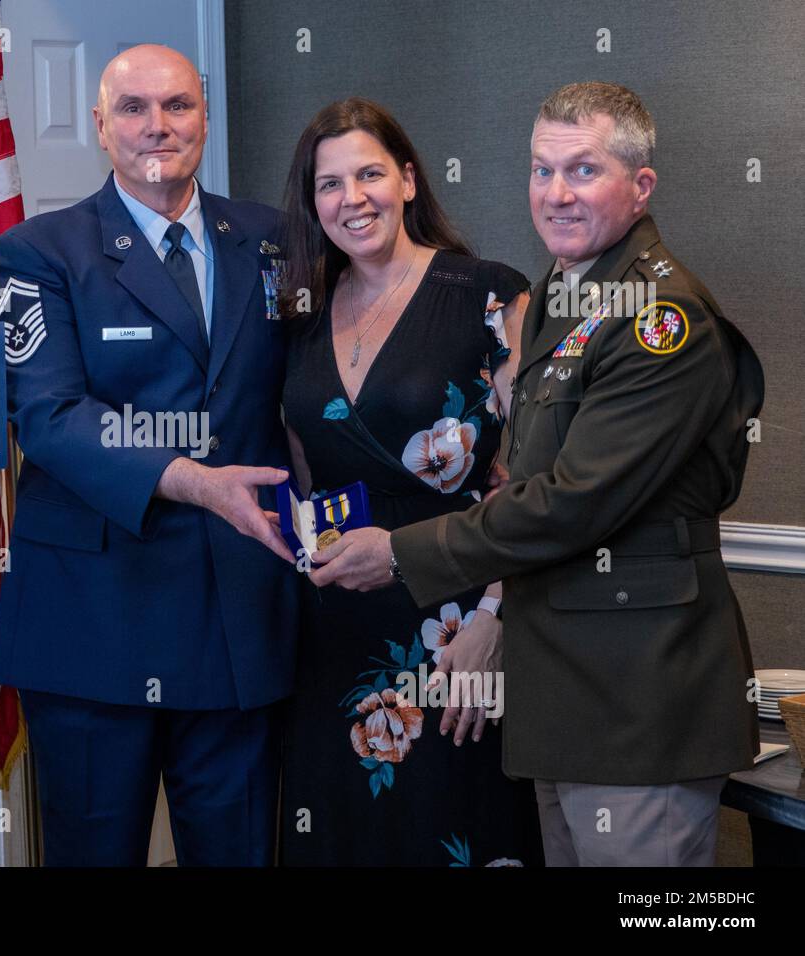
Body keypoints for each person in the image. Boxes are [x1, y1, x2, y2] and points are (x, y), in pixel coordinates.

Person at [314, 82, 764, 867]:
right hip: (564, 698)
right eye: (540, 171)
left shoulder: (664, 318)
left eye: (583, 171)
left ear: (641, 185)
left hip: (638, 701)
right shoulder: (566, 287)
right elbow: (527, 469)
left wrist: (398, 551)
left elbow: (571, 502)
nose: (555, 194)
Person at [0, 44, 298, 866]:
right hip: (96, 616)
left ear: (205, 116)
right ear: (98, 125)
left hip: (238, 614)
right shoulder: (39, 250)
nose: (157, 127)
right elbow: (49, 417)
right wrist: (193, 481)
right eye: (133, 109)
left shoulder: (273, 239)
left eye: (178, 106)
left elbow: (327, 379)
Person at [277, 98, 544, 866]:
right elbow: (302, 473)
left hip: (455, 627)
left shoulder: (488, 294)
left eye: (369, 174)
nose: (351, 198)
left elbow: (537, 474)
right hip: (333, 634)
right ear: (312, 202)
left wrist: (499, 615)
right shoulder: (300, 312)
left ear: (409, 179)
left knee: (452, 830)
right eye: (330, 184)